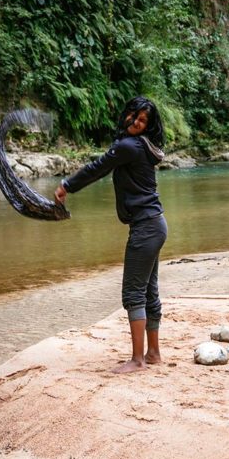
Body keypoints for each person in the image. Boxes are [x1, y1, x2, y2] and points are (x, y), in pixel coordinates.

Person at [54, 97, 168, 374]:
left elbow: (98, 168)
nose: (136, 122)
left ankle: (138, 360)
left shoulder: (128, 146)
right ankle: (153, 354)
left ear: (146, 127)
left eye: (142, 121)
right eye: (134, 116)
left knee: (133, 293)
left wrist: (66, 186)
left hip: (145, 227)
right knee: (148, 291)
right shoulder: (142, 146)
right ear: (126, 114)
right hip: (155, 225)